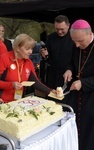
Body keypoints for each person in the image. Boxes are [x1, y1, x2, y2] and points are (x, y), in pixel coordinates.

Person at [0, 34, 55, 105]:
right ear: (17, 48)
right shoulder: (3, 59)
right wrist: (11, 85)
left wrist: (51, 92)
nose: (31, 52)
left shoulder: (28, 62)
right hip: (1, 101)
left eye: (31, 49)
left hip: (17, 101)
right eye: (27, 49)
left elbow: (35, 82)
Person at [63, 19, 94, 150]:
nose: (76, 45)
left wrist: (83, 83)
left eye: (80, 41)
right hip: (76, 96)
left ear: (90, 34)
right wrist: (69, 69)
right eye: (74, 41)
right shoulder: (76, 44)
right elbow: (72, 61)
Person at [41, 15, 74, 90]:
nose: (59, 32)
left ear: (68, 25)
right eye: (57, 29)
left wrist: (70, 69)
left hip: (68, 75)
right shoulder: (51, 37)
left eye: (62, 29)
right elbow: (47, 59)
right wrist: (45, 55)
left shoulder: (73, 37)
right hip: (53, 75)